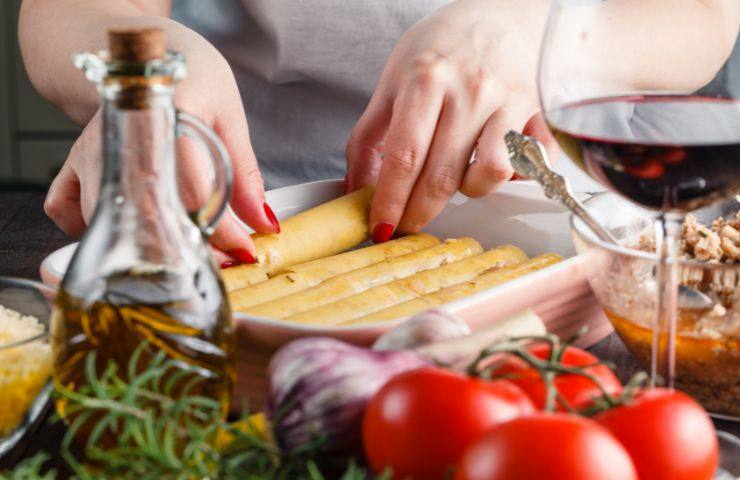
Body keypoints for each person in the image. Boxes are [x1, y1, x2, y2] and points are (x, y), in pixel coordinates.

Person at [18, 0, 739, 265]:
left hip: (560, 232)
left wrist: (536, 31)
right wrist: (143, 70)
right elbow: (68, 10)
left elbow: (706, 10)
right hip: (228, 217)